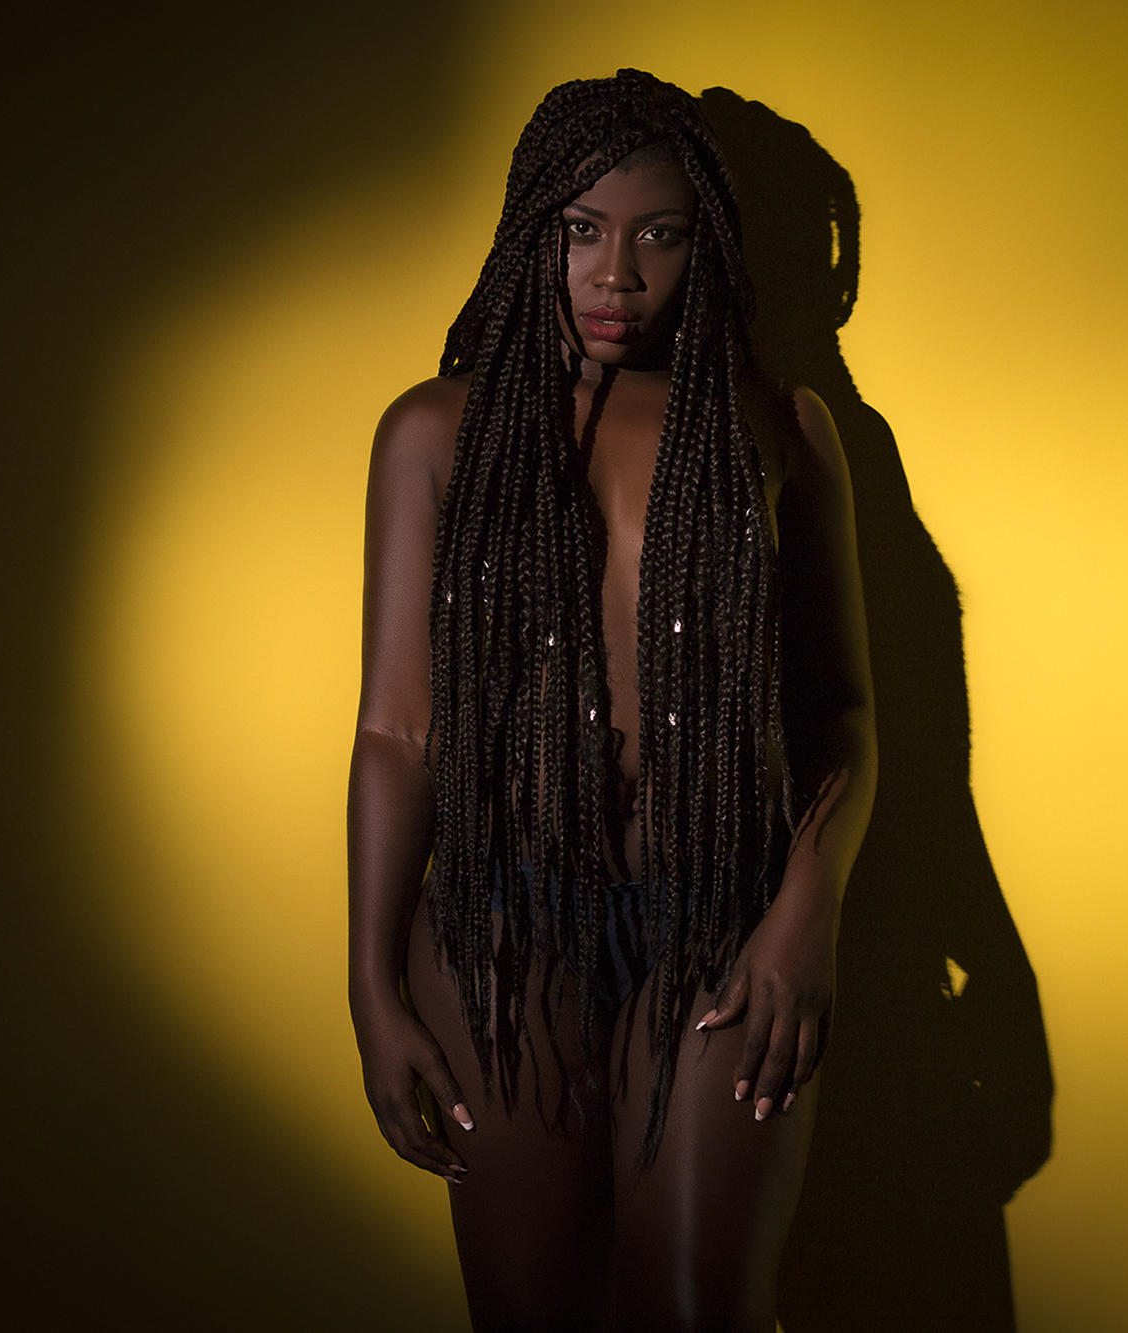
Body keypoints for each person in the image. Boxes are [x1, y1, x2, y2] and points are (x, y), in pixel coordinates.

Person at [348, 69, 876, 1331]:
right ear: (532, 231)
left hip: (721, 921)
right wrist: (370, 987)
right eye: (581, 231)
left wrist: (805, 912)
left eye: (658, 235)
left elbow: (842, 712)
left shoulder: (782, 431)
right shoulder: (436, 431)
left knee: (700, 1310)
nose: (616, 276)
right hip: (503, 933)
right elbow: (396, 731)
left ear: (707, 246)